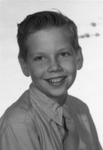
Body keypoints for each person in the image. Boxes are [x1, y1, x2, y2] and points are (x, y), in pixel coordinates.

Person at [0, 10, 102, 150]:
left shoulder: (80, 109)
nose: (54, 67)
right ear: (24, 65)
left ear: (78, 58)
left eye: (63, 54)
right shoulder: (20, 124)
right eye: (40, 58)